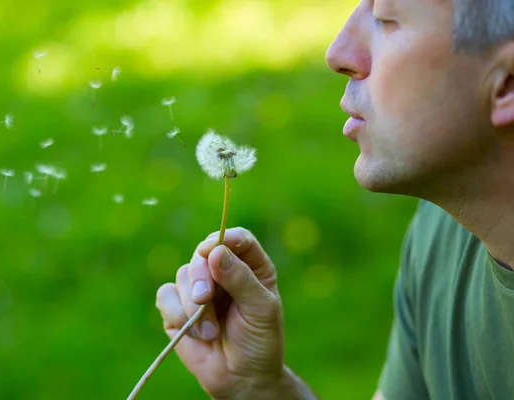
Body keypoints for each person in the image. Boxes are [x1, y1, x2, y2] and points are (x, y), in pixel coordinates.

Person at [156, 0, 514, 398]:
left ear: (507, 84)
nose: (338, 53)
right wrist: (259, 389)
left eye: (385, 18)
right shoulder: (445, 229)